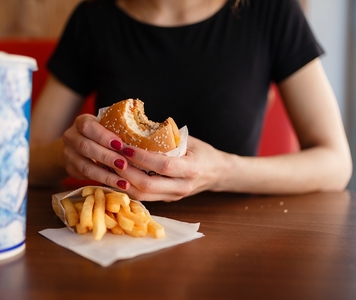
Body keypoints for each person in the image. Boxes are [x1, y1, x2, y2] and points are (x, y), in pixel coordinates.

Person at [29, 0, 352, 201]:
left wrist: (223, 172)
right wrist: (73, 153)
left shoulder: (271, 9)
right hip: (119, 243)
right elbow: (25, 160)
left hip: (239, 247)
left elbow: (337, 164)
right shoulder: (93, 18)